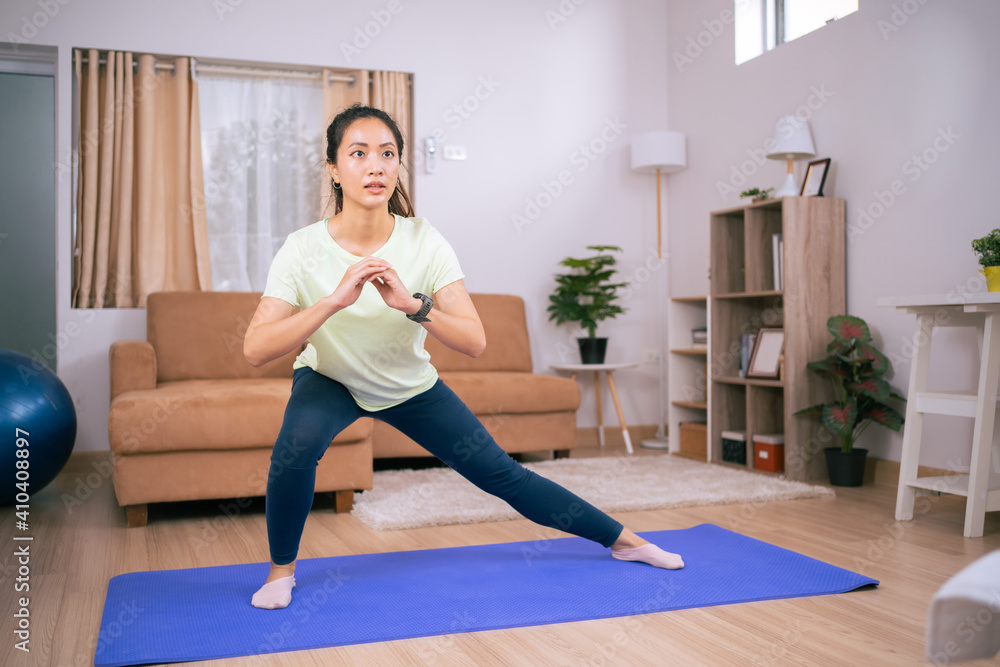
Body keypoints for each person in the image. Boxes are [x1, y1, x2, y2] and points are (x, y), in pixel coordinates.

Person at [244, 104, 684, 610]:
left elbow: (474, 340)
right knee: (294, 449)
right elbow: (256, 348)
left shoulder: (424, 241)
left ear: (399, 166)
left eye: (388, 154)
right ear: (334, 169)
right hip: (330, 379)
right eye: (359, 153)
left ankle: (625, 540)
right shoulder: (302, 249)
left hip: (408, 385)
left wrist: (413, 305)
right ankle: (281, 572)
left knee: (502, 474)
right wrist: (331, 303)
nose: (376, 166)